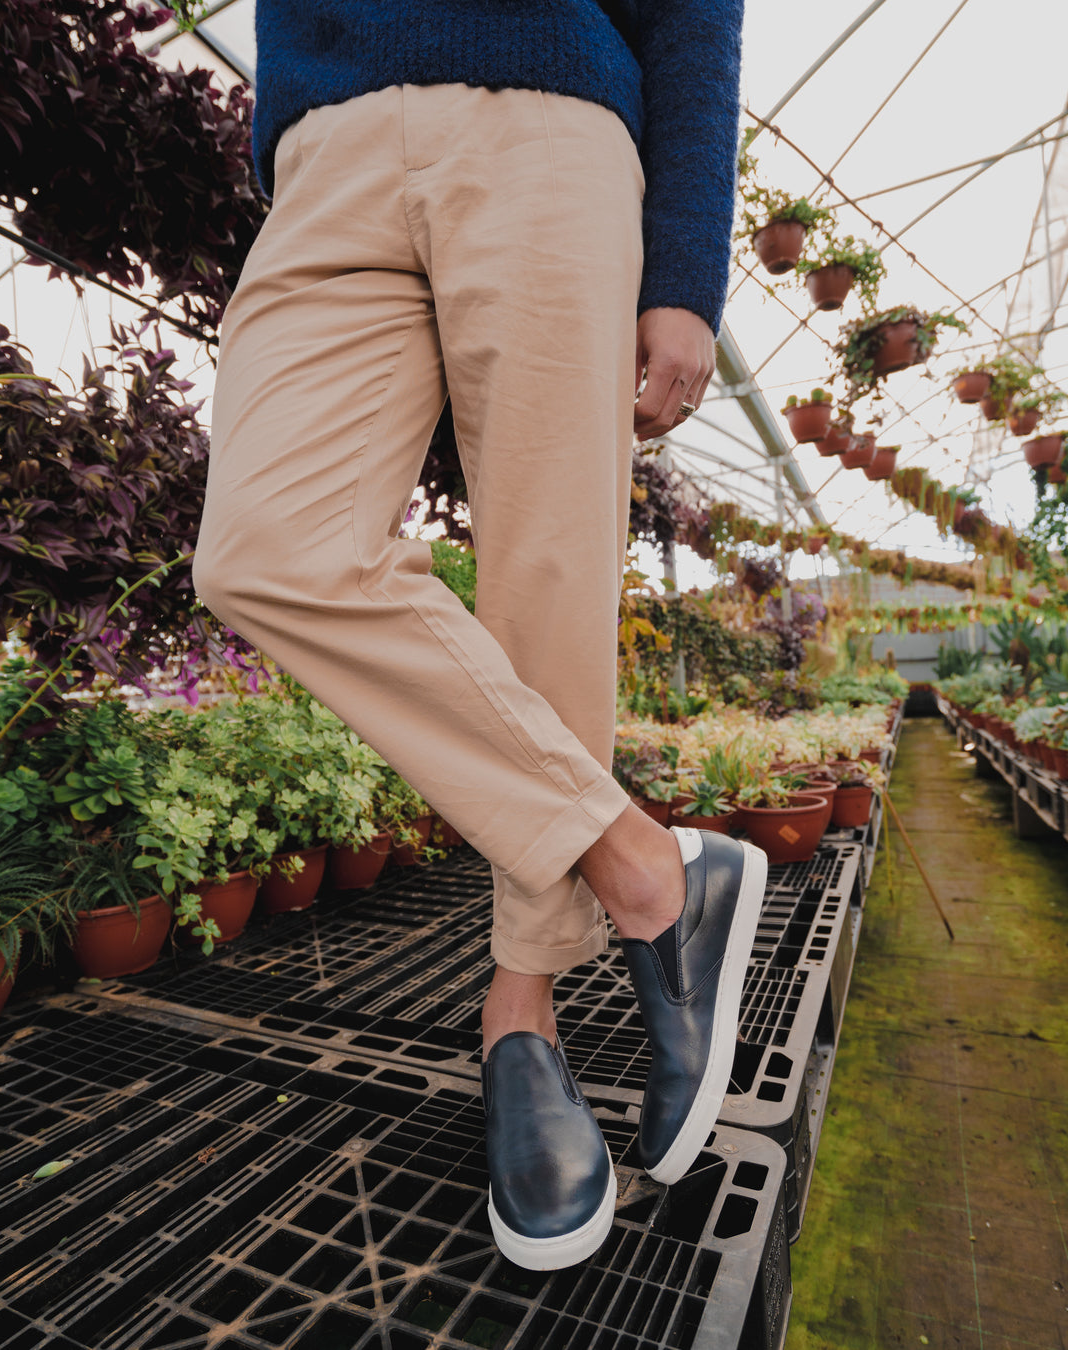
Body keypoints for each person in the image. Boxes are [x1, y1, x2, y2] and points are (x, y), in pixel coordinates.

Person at [193, 0, 763, 1272]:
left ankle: (524, 1015)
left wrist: (684, 267)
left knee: (545, 584)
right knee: (266, 545)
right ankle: (649, 868)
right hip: (327, 151)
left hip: (549, 119)